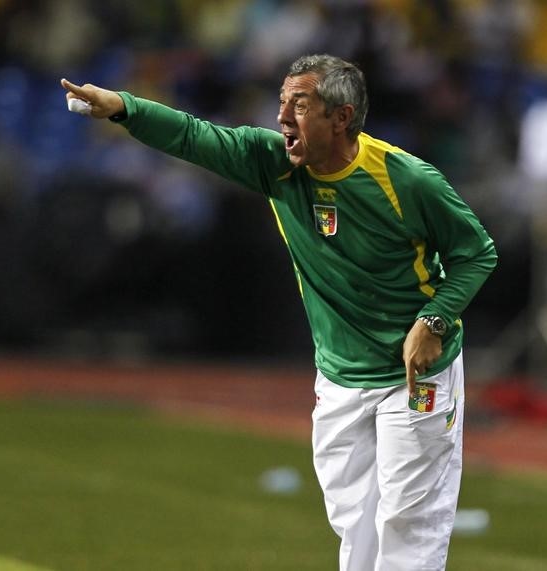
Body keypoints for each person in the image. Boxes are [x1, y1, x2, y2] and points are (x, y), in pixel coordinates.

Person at [61, 54, 497, 570]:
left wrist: (434, 321)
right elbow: (196, 136)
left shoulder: (408, 181)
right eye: (282, 102)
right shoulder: (274, 165)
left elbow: (477, 252)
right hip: (340, 374)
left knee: (409, 522)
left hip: (416, 372)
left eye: (300, 104)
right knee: (353, 522)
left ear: (341, 117)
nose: (283, 116)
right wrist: (124, 108)